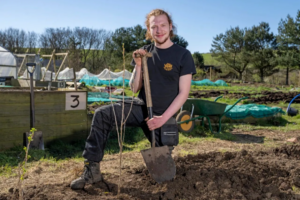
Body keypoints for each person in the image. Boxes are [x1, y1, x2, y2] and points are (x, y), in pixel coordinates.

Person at [70, 8, 196, 190]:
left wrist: (161, 119)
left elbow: (183, 93)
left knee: (164, 166)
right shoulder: (144, 52)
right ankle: (92, 171)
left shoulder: (183, 55)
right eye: (154, 27)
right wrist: (138, 66)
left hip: (164, 115)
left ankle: (164, 164)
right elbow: (134, 88)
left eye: (162, 25)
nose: (159, 30)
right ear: (149, 29)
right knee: (102, 114)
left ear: (170, 27)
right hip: (141, 107)